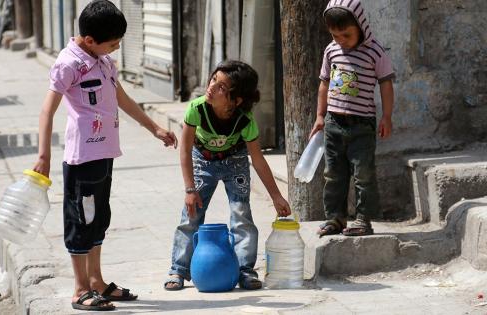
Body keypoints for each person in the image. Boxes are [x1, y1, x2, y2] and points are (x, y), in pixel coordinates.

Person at [32, 1, 177, 311]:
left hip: (105, 153)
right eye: (113, 43)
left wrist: (154, 128)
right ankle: (80, 288)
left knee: (99, 219)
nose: (116, 48)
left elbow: (121, 97)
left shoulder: (104, 61)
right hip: (83, 157)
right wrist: (43, 155)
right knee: (80, 220)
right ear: (89, 40)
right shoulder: (69, 64)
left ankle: (97, 282)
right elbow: (47, 110)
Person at [164, 60, 292, 291]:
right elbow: (184, 149)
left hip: (235, 162)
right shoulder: (197, 108)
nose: (212, 87)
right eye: (214, 79)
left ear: (237, 100)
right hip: (202, 161)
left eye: (221, 87)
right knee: (191, 215)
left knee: (241, 214)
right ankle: (178, 269)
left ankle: (245, 269)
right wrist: (190, 189)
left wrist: (276, 195)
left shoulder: (245, 120)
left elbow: (258, 159)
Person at [311, 0, 395, 237]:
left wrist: (387, 117)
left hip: (362, 126)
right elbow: (324, 84)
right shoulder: (331, 50)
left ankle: (362, 220)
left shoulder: (375, 51)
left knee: (363, 174)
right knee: (333, 174)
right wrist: (319, 116)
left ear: (361, 26)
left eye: (346, 34)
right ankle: (335, 219)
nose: (341, 40)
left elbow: (386, 84)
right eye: (335, 35)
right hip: (333, 123)